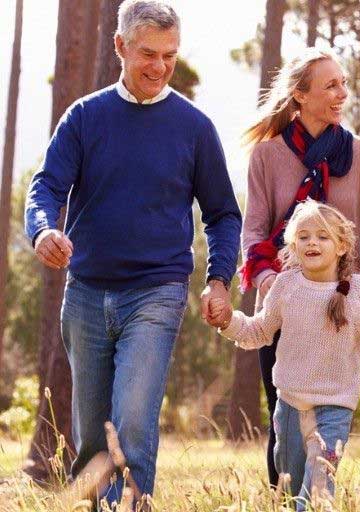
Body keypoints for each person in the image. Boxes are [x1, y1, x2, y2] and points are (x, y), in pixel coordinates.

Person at [22, 0, 241, 503]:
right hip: (86, 294)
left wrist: (218, 280)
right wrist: (42, 231)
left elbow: (223, 214)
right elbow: (46, 187)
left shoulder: (194, 127)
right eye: (149, 54)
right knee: (92, 439)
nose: (160, 66)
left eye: (170, 55)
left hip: (157, 291)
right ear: (121, 46)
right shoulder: (85, 117)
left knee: (135, 423)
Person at [239, 47, 360, 487]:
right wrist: (270, 282)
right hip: (284, 306)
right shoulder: (266, 155)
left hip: (341, 306)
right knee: (283, 419)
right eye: (331, 85)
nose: (342, 94)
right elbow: (254, 230)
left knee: (331, 419)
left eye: (343, 83)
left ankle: (317, 497)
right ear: (300, 95)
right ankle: (284, 498)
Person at [209, 201, 360, 510]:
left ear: (342, 246)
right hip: (289, 407)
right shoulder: (285, 285)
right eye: (304, 236)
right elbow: (258, 331)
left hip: (334, 410)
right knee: (292, 490)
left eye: (323, 236)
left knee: (317, 493)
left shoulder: (356, 292)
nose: (313, 242)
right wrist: (228, 321)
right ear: (293, 245)